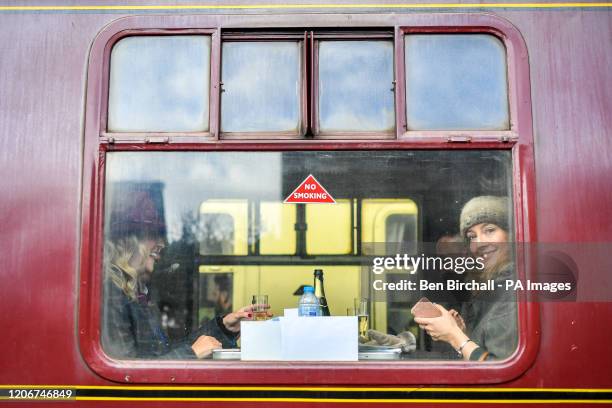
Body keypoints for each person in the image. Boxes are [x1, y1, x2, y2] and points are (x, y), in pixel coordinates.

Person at [102, 232, 267, 359]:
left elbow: (163, 354)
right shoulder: (111, 297)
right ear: (127, 243)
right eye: (151, 234)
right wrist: (191, 353)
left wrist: (224, 327)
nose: (162, 242)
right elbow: (127, 370)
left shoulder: (136, 295)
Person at [414, 196, 517, 361]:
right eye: (472, 236)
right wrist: (462, 331)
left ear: (512, 234)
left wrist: (454, 335)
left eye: (489, 230)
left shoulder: (515, 291)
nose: (479, 243)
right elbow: (484, 347)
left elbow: (499, 371)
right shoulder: (487, 289)